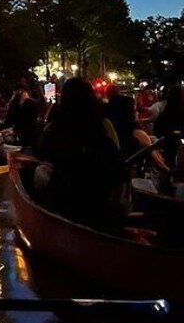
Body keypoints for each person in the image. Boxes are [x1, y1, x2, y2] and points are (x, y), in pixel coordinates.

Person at [36, 78, 129, 228]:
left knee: (40, 172)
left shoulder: (57, 128)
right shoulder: (103, 124)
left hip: (66, 199)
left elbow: (41, 152)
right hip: (101, 202)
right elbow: (117, 160)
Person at [154, 85, 184, 172]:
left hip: (169, 137)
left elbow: (160, 125)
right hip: (176, 136)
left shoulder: (168, 107)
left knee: (170, 158)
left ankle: (170, 173)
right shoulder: (177, 107)